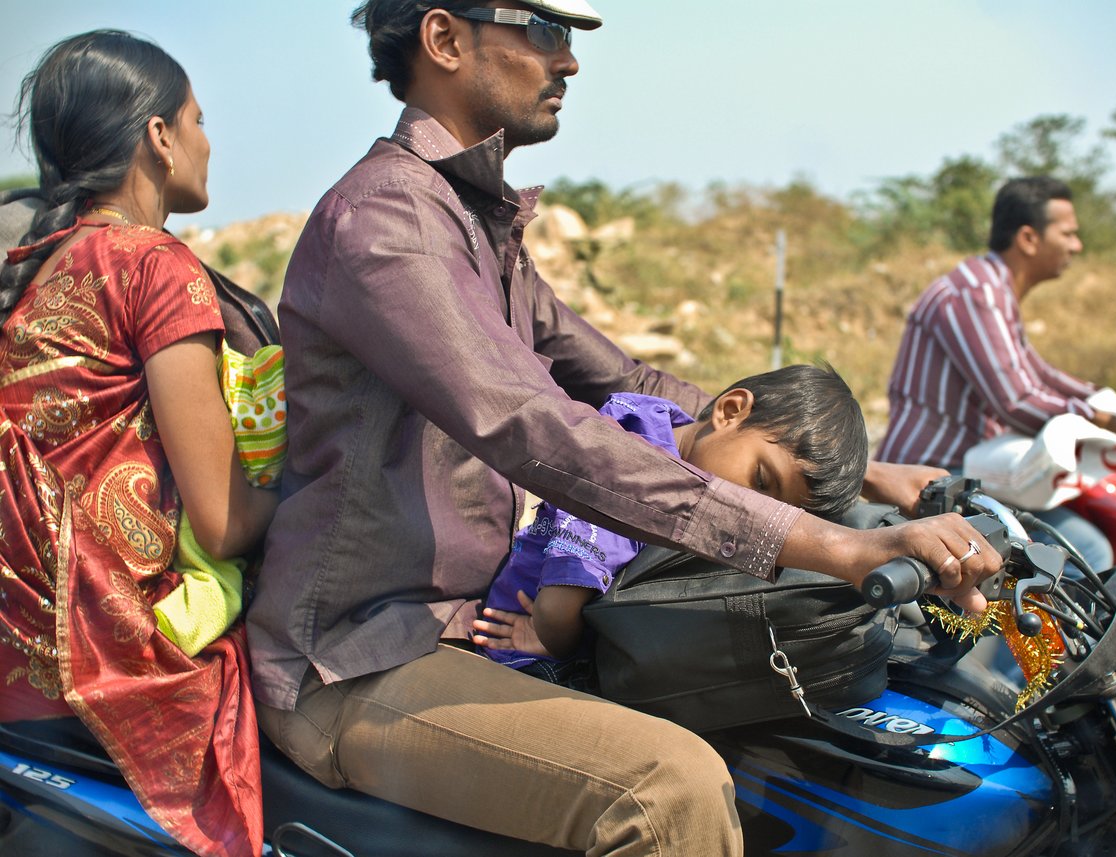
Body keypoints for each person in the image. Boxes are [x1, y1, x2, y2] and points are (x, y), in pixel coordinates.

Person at [246, 2, 1001, 854]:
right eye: (545, 31)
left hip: (464, 629)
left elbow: (630, 384)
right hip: (363, 654)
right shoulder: (386, 222)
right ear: (446, 39)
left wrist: (865, 477)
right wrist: (838, 546)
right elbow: (535, 426)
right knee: (669, 786)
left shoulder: (472, 223)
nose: (567, 63)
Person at [0, 31, 277, 857]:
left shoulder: (31, 270)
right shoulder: (156, 266)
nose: (207, 141)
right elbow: (224, 523)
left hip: (21, 659)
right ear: (158, 136)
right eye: (195, 119)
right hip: (111, 667)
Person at [877, 176, 1116, 571]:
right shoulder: (976, 294)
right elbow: (1017, 400)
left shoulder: (996, 292)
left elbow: (1041, 374)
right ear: (1028, 238)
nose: (1077, 246)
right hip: (934, 475)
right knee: (1086, 552)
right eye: (1068, 234)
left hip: (975, 469)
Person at [473, 364, 867, 680]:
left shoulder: (653, 423)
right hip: (526, 653)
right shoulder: (639, 474)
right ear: (730, 411)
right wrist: (552, 642)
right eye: (762, 481)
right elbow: (557, 609)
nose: (756, 511)